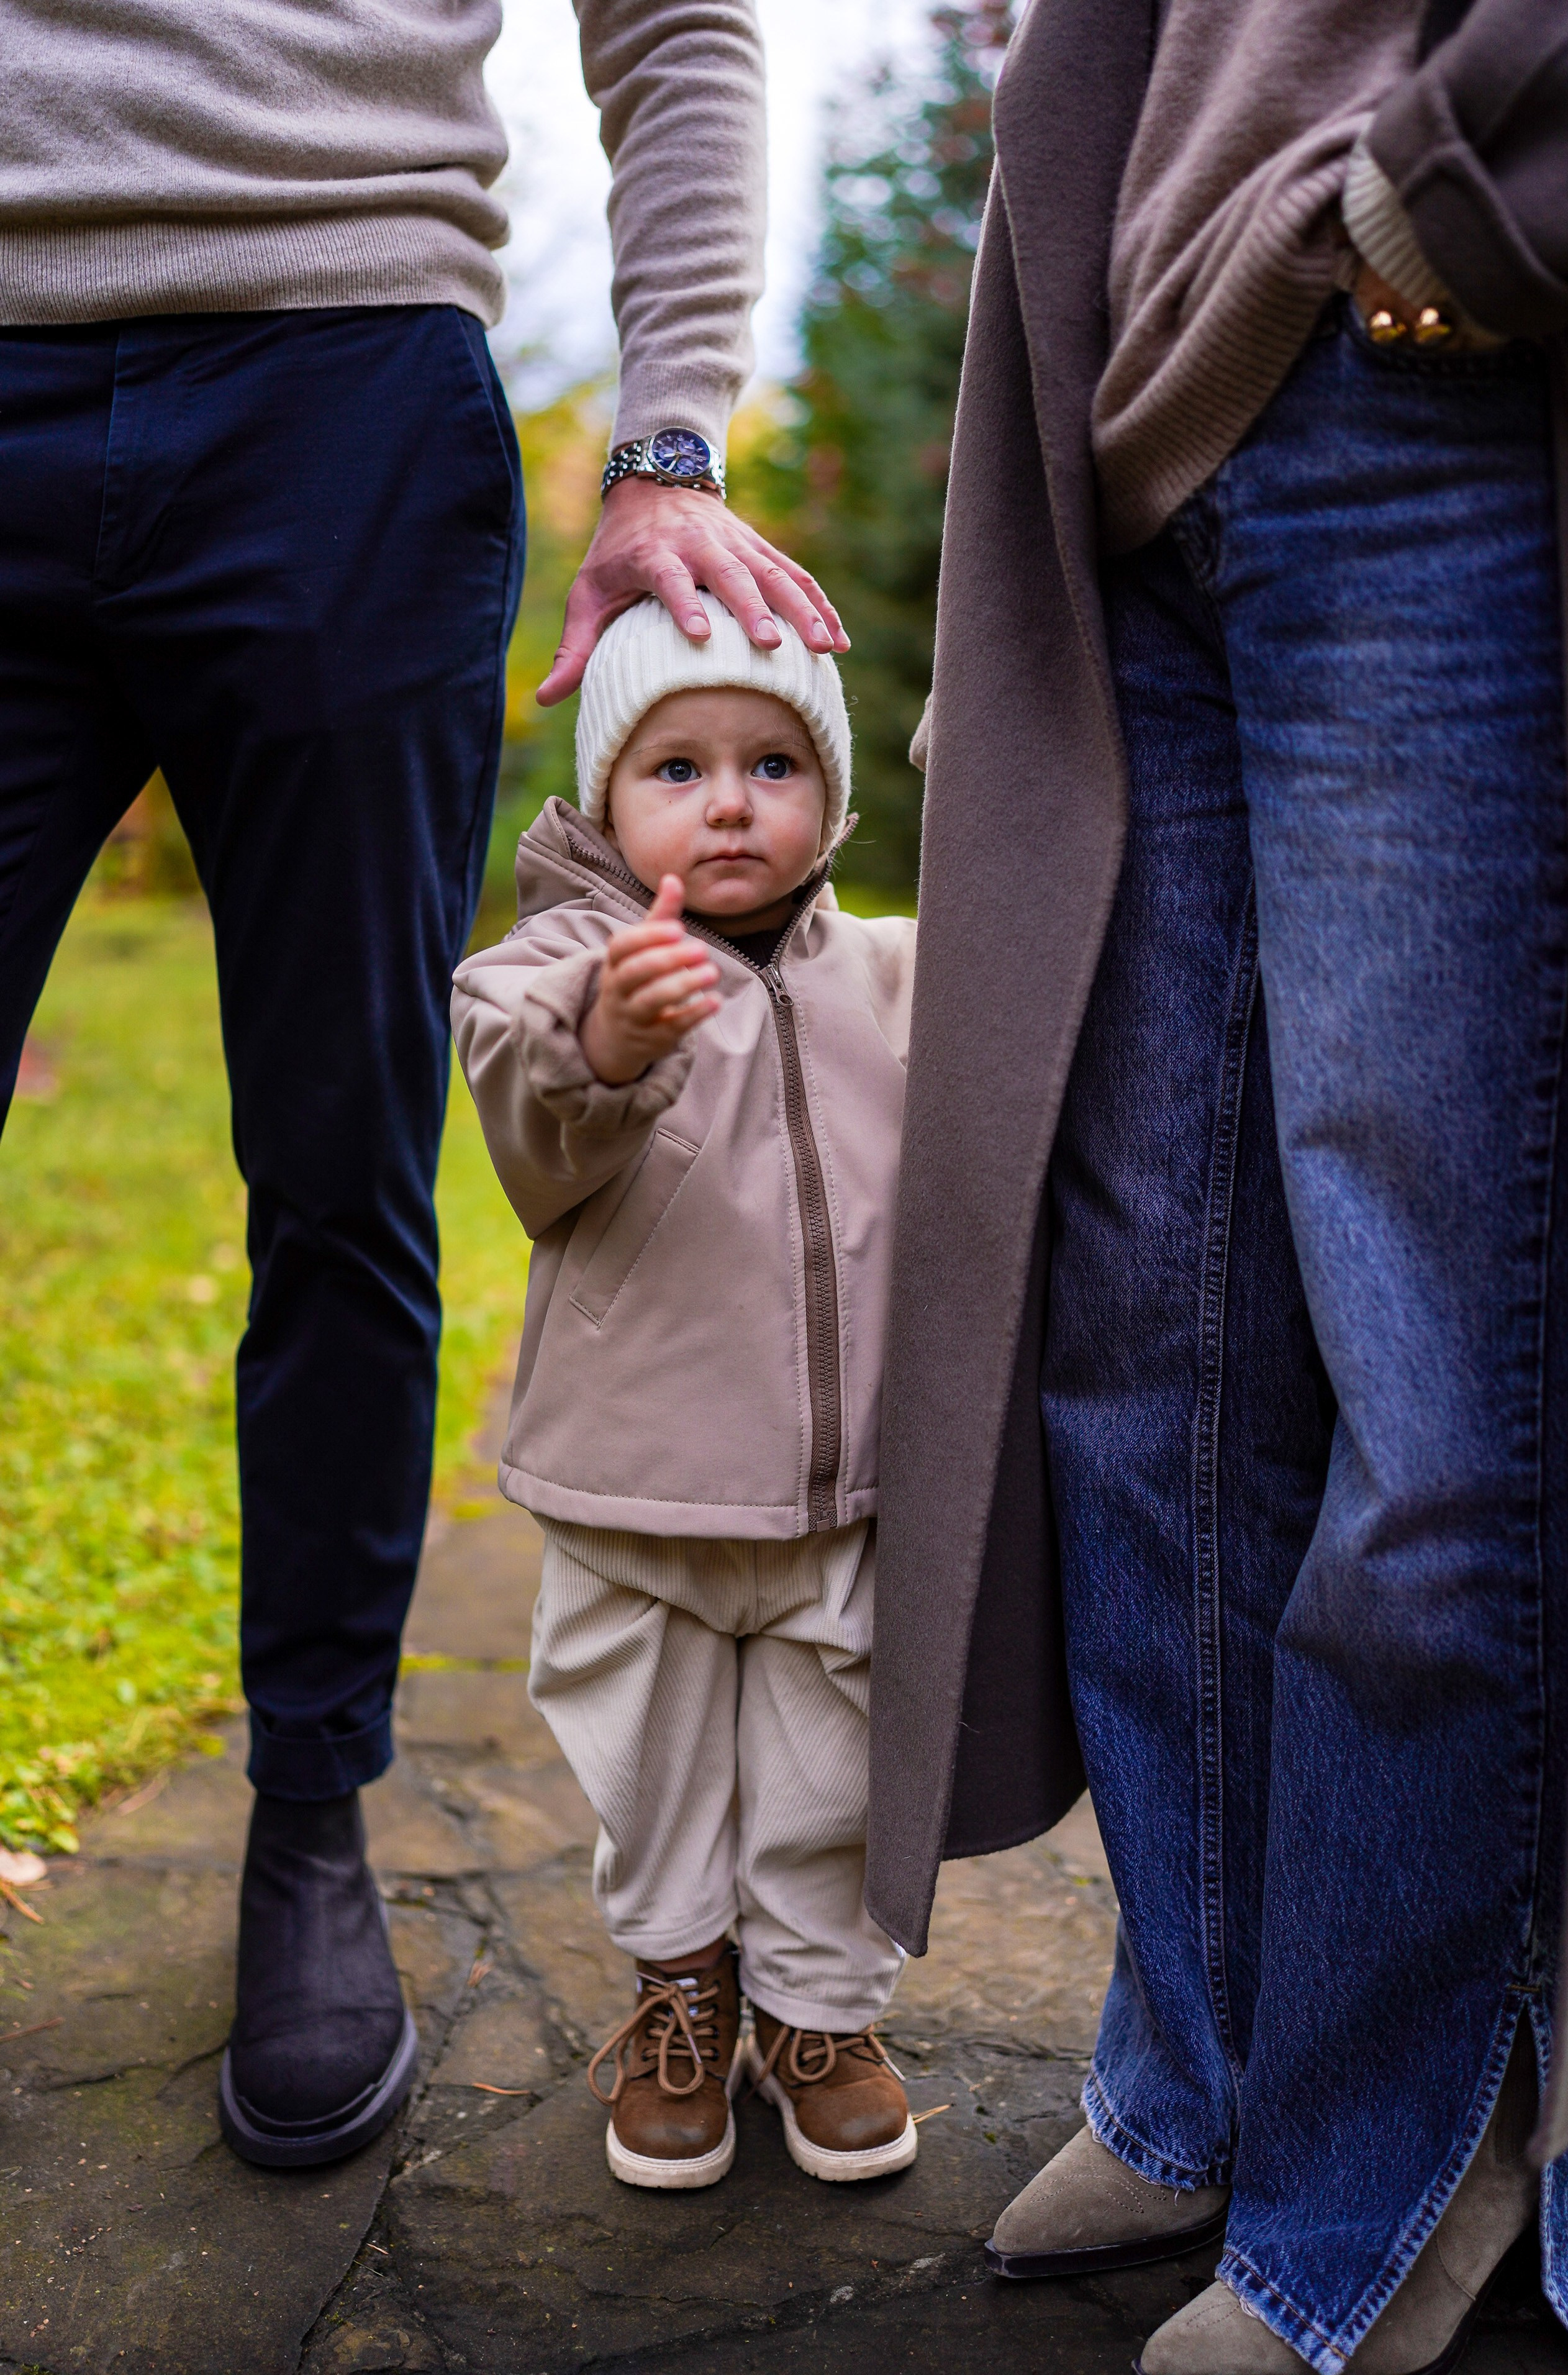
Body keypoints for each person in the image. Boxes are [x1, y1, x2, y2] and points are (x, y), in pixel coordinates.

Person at [0, 0, 844, 2168]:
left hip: (342, 382)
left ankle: (307, 1819)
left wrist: (668, 434)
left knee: (340, 1166)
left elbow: (677, 28)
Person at [864, 0, 1568, 2369]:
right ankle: (1202, 2070)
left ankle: (1396, 2153)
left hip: (1427, 384)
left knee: (1432, 1375)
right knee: (1140, 1343)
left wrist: (1468, 181)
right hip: (1138, 445)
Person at [450, 591, 918, 2189]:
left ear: (831, 799)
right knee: (649, 1772)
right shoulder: (546, 974)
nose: (730, 799)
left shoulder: (888, 975)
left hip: (836, 1492)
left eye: (776, 762)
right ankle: (678, 1988)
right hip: (633, 1491)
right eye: (680, 766)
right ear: (603, 797)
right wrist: (604, 1035)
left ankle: (816, 2013)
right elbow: (530, 1118)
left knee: (830, 1766)